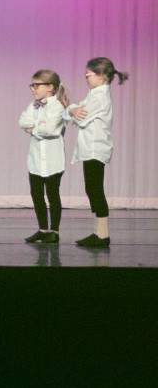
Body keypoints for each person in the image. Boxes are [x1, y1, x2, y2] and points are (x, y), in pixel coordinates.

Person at [65, 57, 128, 248]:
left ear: (101, 76)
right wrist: (73, 109)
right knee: (92, 189)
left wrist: (72, 110)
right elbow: (74, 112)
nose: (86, 78)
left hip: (95, 149)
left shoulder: (99, 97)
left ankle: (102, 235)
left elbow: (79, 118)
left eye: (88, 74)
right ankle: (99, 232)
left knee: (95, 189)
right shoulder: (94, 94)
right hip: (90, 149)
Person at [18, 70, 69, 244]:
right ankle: (42, 229)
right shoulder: (34, 105)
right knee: (37, 195)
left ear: (49, 87)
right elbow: (22, 121)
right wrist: (38, 125)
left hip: (53, 160)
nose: (32, 88)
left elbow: (50, 130)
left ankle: (54, 230)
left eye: (36, 85)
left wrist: (34, 128)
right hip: (36, 160)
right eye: (32, 85)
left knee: (53, 195)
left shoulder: (58, 106)